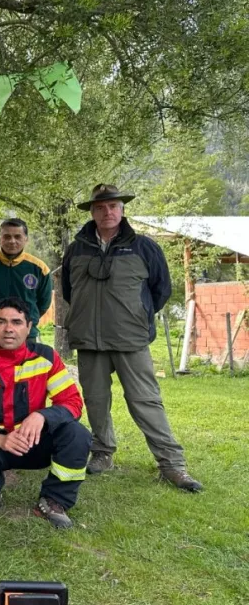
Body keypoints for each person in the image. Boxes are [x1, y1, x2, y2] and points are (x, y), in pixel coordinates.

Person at [62, 184, 202, 492]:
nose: (107, 212)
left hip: (130, 339)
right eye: (100, 207)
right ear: (92, 212)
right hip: (88, 339)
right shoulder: (77, 249)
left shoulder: (144, 246)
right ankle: (102, 453)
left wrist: (135, 317)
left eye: (113, 206)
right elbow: (70, 293)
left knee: (145, 401)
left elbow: (160, 290)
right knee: (96, 401)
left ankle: (171, 464)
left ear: (122, 209)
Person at [0, 298, 91, 529]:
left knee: (77, 435)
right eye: (1, 322)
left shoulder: (46, 357)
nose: (8, 328)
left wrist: (43, 416)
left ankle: (54, 500)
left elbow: (72, 402)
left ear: (28, 327)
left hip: (36, 441)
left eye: (16, 322)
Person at [0, 218, 52, 342]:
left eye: (17, 236)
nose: (12, 241)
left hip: (27, 336)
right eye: (7, 236)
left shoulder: (39, 268)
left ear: (26, 239)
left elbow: (43, 304)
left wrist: (25, 321)